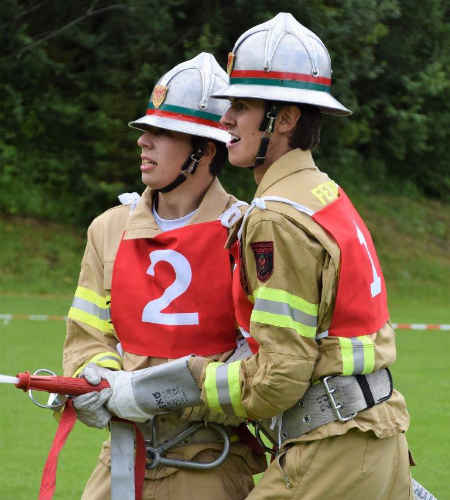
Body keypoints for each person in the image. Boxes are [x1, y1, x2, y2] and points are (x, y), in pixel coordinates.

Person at [192, 12, 413, 499]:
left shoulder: (274, 217)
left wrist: (186, 389)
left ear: (285, 119)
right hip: (374, 436)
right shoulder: (323, 194)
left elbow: (281, 376)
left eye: (242, 107)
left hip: (330, 448)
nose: (225, 119)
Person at [63, 52, 266, 500]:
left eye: (162, 133)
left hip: (208, 459)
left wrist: (155, 393)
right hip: (120, 456)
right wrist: (98, 378)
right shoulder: (109, 229)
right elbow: (87, 334)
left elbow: (263, 359)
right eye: (144, 131)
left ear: (204, 151)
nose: (144, 143)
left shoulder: (249, 232)